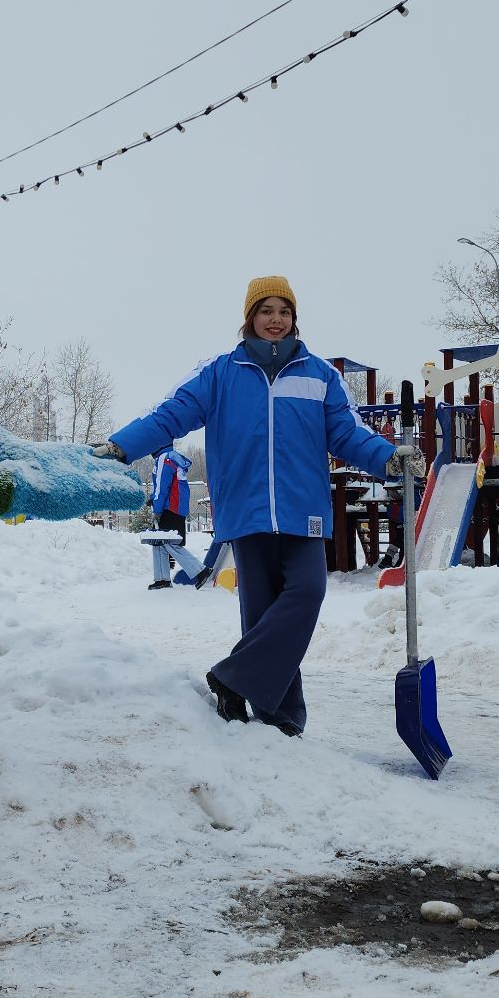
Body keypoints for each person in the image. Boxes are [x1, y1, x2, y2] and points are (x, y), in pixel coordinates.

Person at [98, 276, 422, 735]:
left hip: (302, 507)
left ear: (294, 319)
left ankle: (234, 678)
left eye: (284, 311)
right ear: (249, 318)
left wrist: (391, 458)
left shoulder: (319, 376)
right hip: (246, 510)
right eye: (266, 311)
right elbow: (170, 415)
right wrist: (120, 446)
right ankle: (280, 719)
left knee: (308, 592)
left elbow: (347, 435)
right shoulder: (221, 373)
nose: (275, 320)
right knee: (261, 614)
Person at [146, 447, 207, 589]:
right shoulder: (172, 458)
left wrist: (157, 508)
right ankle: (162, 579)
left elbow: (162, 488)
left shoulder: (164, 458)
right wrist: (152, 499)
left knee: (169, 542)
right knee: (159, 541)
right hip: (177, 506)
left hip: (170, 507)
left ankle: (200, 570)